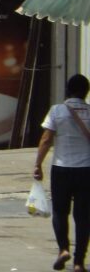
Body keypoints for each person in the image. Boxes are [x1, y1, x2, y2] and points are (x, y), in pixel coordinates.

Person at [35, 74, 90, 272]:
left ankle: (63, 249)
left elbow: (46, 140)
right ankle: (78, 263)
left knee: (60, 212)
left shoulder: (57, 111)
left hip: (61, 169)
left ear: (67, 90)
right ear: (86, 91)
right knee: (83, 217)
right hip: (86, 170)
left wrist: (38, 164)